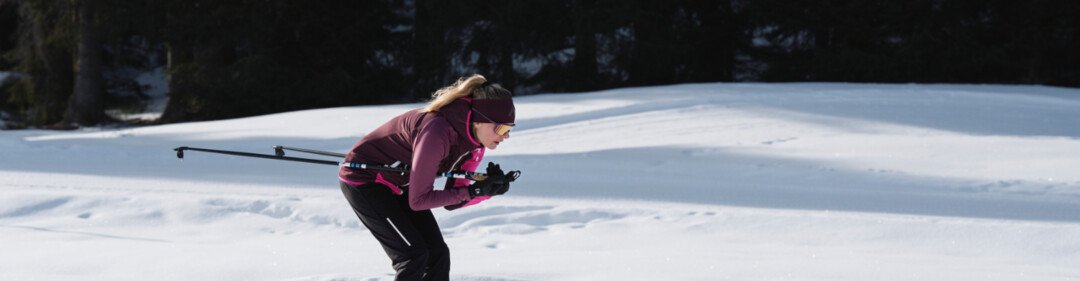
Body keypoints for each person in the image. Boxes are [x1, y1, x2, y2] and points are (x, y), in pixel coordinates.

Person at [338, 74, 517, 280]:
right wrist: (473, 190)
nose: (505, 136)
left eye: (509, 129)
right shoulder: (437, 132)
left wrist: (485, 191)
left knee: (438, 255)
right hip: (365, 181)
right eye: (501, 128)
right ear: (479, 121)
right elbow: (419, 201)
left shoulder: (474, 146)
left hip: (401, 183)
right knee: (413, 256)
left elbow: (453, 200)